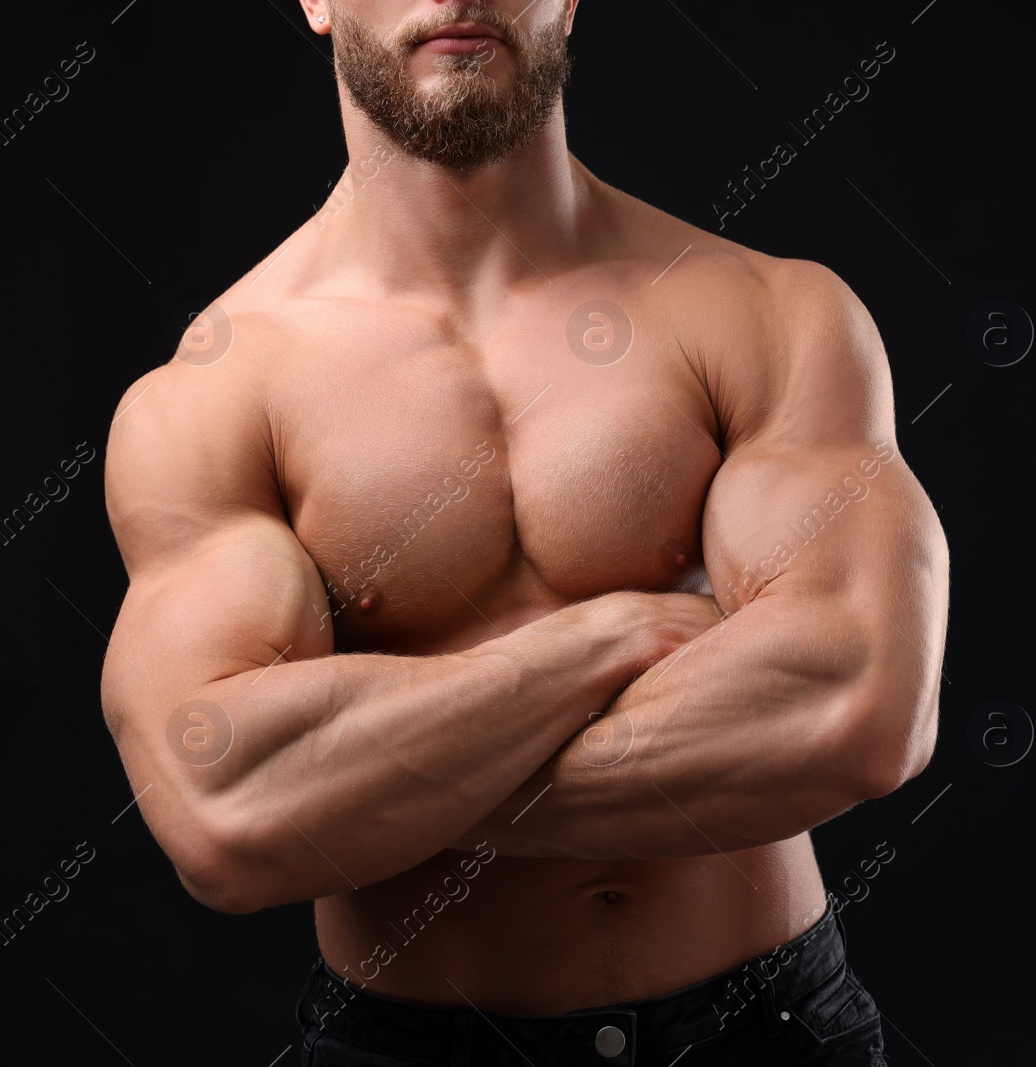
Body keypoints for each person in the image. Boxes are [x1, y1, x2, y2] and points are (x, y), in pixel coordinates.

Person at [98, 2, 950, 1064]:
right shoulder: (217, 396)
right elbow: (225, 810)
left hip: (761, 1031)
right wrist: (598, 643)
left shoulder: (766, 314)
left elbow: (856, 704)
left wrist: (372, 790)